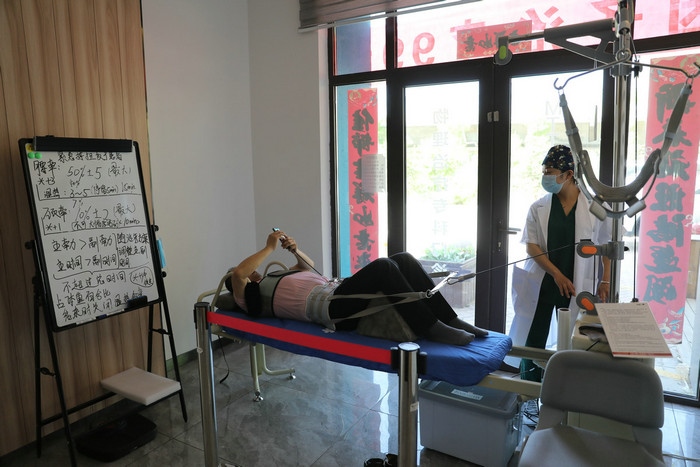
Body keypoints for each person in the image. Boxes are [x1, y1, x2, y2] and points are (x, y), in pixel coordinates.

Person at [227, 229, 488, 346]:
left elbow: (308, 265)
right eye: (247, 271)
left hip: (338, 293)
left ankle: (449, 319)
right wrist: (269, 247)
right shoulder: (248, 297)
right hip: (333, 310)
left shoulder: (276, 277)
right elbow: (239, 273)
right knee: (384, 266)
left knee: (404, 259)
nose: (252, 270)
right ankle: (430, 328)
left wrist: (294, 249)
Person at [509, 145, 611, 381]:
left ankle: (564, 390)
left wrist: (605, 280)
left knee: (574, 341)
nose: (545, 176)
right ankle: (528, 390)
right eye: (544, 171)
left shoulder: (595, 206)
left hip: (578, 285)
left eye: (550, 171)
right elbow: (531, 246)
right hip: (544, 283)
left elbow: (607, 245)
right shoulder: (538, 207)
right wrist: (556, 274)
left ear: (569, 174)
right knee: (533, 339)